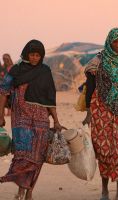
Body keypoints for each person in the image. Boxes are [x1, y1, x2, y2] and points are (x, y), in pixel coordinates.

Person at [0, 40, 63, 200]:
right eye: (32, 54)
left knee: (37, 156)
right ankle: (20, 186)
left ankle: (29, 191)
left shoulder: (45, 71)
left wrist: (56, 120)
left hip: (41, 119)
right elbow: (3, 92)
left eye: (38, 55)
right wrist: (0, 115)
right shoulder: (16, 70)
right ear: (26, 54)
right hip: (21, 117)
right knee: (22, 154)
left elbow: (50, 98)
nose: (35, 58)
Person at [82, 28, 118, 200]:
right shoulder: (98, 61)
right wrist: (88, 112)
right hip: (101, 109)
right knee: (103, 150)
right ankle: (104, 191)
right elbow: (90, 87)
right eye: (115, 41)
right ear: (109, 41)